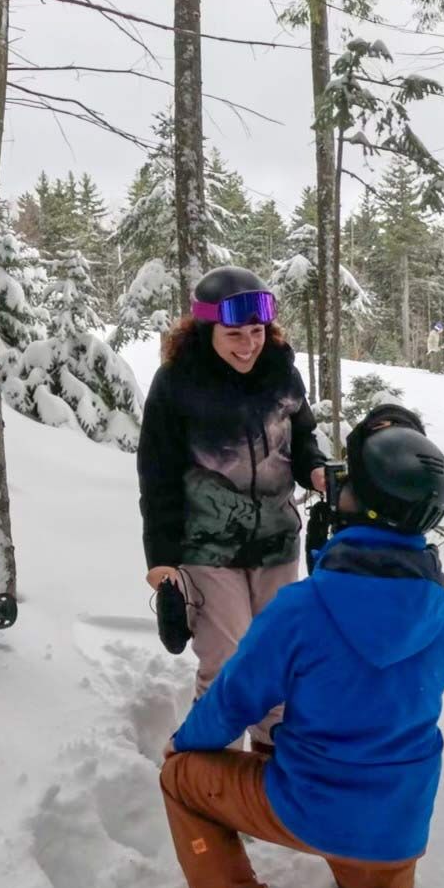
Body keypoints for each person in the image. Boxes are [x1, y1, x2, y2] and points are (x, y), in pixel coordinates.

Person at [157, 405, 444, 888]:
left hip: (307, 804)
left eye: (349, 482)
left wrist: (186, 745)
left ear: (365, 505)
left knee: (182, 778)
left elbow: (233, 702)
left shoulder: (303, 607)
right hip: (396, 825)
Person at [137, 266, 327, 753]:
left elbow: (301, 438)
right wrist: (160, 557)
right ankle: (207, 769)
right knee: (228, 660)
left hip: (278, 542)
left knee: (276, 655)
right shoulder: (178, 383)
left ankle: (270, 759)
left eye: (257, 332)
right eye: (234, 334)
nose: (248, 345)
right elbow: (156, 474)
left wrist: (318, 471)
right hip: (207, 545)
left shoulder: (281, 370)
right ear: (206, 329)